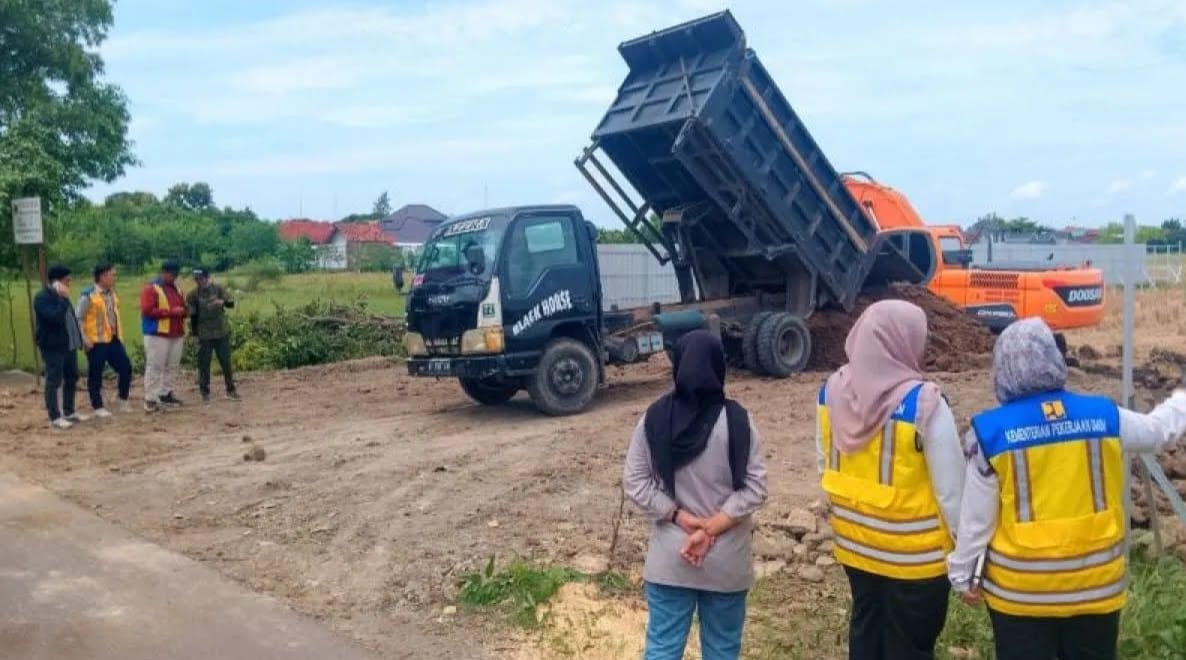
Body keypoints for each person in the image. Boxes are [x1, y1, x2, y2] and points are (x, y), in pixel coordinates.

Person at [948, 318, 1186, 660]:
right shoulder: (1104, 416)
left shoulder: (990, 433)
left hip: (1022, 594)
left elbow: (975, 522)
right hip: (1095, 587)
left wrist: (963, 575)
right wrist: (1180, 401)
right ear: (1054, 358)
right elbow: (1157, 432)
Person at [816, 300, 965, 660]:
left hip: (857, 548)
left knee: (866, 634)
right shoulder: (926, 404)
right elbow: (952, 491)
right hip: (915, 558)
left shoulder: (830, 392)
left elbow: (824, 462)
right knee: (909, 646)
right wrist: (967, 554)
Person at [623, 329, 768, 660]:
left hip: (671, 558)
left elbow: (635, 481)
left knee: (662, 649)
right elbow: (757, 486)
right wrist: (713, 525)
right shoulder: (738, 421)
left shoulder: (654, 419)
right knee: (722, 650)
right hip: (726, 560)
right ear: (719, 366)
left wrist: (678, 516)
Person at [33, 265, 87, 429]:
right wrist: (63, 299)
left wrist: (78, 339)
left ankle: (69, 411)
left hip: (68, 344)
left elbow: (70, 320)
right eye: (66, 280)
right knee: (54, 379)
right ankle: (55, 416)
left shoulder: (63, 297)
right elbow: (55, 318)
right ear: (56, 282)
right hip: (52, 345)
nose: (69, 283)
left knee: (71, 377)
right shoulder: (42, 298)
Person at [76, 262, 133, 416]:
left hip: (113, 339)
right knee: (96, 373)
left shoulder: (112, 293)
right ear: (102, 276)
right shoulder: (88, 295)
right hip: (96, 341)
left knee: (125, 368)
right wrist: (84, 339)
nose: (115, 278)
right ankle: (98, 406)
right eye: (112, 275)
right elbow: (78, 318)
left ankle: (122, 399)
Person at [139, 260, 188, 412]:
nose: (174, 277)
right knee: (155, 366)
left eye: (176, 275)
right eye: (172, 275)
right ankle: (150, 398)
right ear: (164, 272)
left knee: (172, 366)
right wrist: (171, 312)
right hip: (157, 333)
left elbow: (183, 307)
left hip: (176, 332)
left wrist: (184, 311)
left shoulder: (177, 289)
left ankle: (166, 393)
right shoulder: (151, 288)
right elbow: (147, 310)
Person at [186, 268, 238, 403]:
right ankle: (205, 392)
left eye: (201, 278)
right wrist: (195, 334)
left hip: (221, 331)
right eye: (197, 279)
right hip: (204, 333)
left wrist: (222, 302)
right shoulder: (192, 295)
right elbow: (193, 316)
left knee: (226, 362)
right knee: (204, 363)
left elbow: (231, 303)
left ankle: (231, 390)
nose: (199, 281)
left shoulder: (218, 289)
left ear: (207, 277)